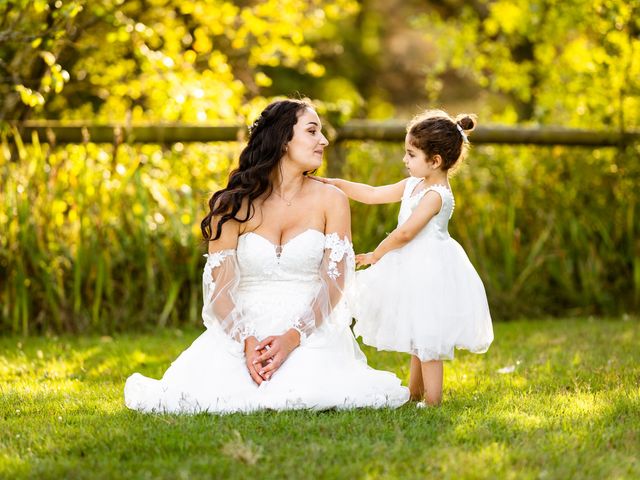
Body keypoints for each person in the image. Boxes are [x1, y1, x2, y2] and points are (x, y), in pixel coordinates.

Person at [124, 99, 409, 413]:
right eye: (312, 131)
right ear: (284, 139)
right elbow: (221, 288)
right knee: (210, 393)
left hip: (310, 327)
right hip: (243, 328)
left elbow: (335, 280)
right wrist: (246, 340)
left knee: (314, 389)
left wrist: (293, 336)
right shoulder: (232, 204)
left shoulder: (332, 200)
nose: (323, 141)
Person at [315, 109, 493, 406]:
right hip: (412, 268)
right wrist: (335, 184)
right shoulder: (413, 185)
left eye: (411, 154)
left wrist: (376, 254)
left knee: (428, 338)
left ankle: (433, 401)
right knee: (417, 334)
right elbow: (372, 193)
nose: (405, 160)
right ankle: (414, 395)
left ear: (434, 161)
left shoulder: (436, 195)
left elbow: (405, 233)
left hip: (430, 269)